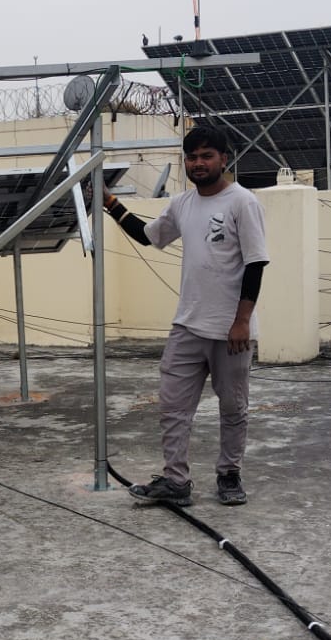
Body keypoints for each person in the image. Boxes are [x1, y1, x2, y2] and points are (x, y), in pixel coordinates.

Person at [99, 124, 269, 506]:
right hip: (188, 325)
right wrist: (110, 203)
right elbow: (149, 235)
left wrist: (242, 321)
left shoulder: (243, 203)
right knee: (173, 406)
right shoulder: (181, 204)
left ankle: (229, 474)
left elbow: (256, 263)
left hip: (230, 330)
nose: (198, 163)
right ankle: (176, 481)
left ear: (224, 159)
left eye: (207, 156)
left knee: (233, 407)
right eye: (192, 157)